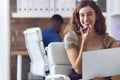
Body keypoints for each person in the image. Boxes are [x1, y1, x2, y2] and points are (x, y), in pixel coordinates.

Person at [63, 0, 119, 80]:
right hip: (80, 77)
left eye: (89, 14)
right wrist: (84, 42)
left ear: (96, 16)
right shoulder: (71, 37)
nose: (86, 19)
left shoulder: (105, 39)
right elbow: (78, 70)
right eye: (82, 15)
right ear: (78, 18)